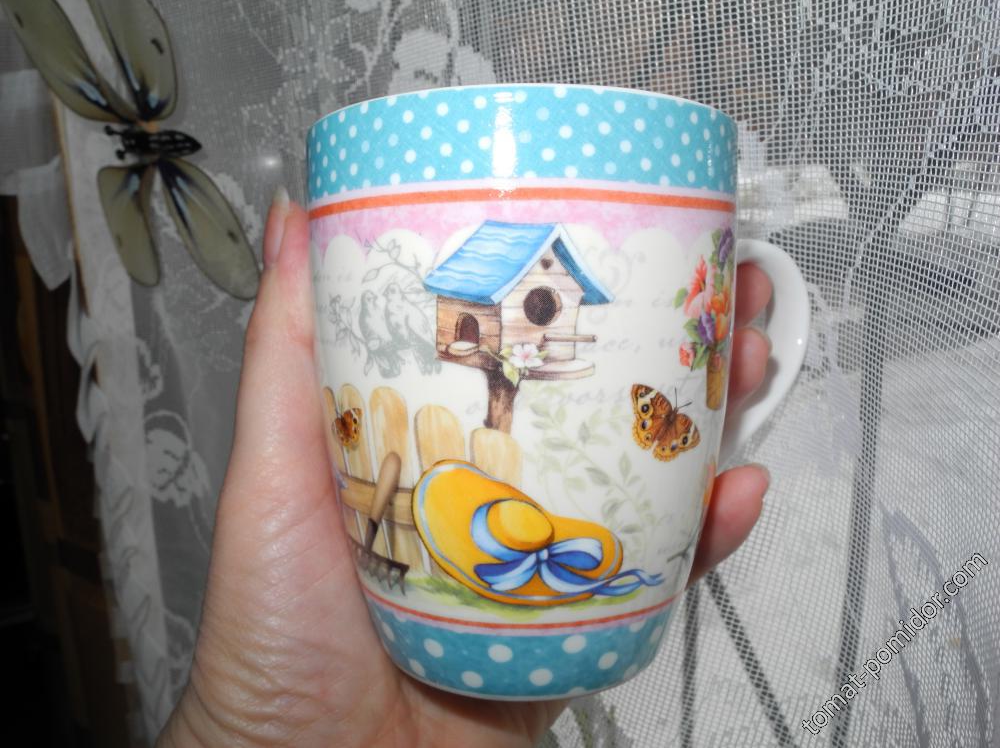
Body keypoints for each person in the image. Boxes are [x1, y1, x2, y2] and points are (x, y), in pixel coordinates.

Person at [156, 190, 774, 748]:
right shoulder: (478, 315)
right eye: (539, 301)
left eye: (541, 302)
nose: (541, 304)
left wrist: (702, 460)